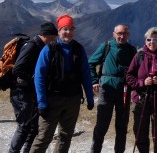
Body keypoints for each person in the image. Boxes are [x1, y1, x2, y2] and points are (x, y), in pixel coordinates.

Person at [30, 14, 95, 153]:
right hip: (52, 99)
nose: (69, 32)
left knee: (65, 137)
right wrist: (41, 102)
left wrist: (90, 98)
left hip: (73, 100)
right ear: (59, 31)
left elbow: (86, 75)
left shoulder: (79, 49)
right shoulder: (49, 49)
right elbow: (39, 77)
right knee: (44, 137)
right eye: (65, 29)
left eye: (71, 29)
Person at [126, 27, 157, 153]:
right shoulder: (139, 56)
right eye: (149, 39)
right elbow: (129, 76)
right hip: (141, 98)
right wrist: (142, 83)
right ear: (145, 41)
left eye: (155, 39)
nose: (152, 42)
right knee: (140, 131)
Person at [9, 22, 58, 153]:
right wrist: (35, 80)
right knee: (24, 126)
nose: (54, 41)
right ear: (46, 35)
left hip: (30, 92)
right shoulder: (32, 46)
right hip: (21, 92)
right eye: (53, 37)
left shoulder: (41, 46)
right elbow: (17, 69)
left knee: (34, 126)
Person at [88, 24, 137, 153]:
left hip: (125, 90)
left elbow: (137, 70)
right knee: (102, 125)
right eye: (119, 33)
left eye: (124, 33)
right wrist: (94, 81)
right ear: (114, 34)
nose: (121, 36)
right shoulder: (106, 46)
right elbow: (91, 63)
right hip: (107, 89)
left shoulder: (132, 50)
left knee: (122, 125)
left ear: (128, 35)